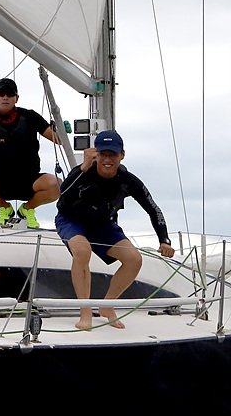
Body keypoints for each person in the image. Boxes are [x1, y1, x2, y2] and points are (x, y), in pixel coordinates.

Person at [55, 130, 175, 330]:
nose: (108, 159)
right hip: (71, 220)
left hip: (103, 224)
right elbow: (63, 195)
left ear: (122, 155)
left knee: (134, 259)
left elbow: (153, 208)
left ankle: (108, 305)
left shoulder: (128, 180)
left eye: (113, 154)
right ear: (95, 154)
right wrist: (82, 168)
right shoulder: (84, 171)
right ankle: (85, 312)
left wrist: (164, 240)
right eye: (103, 154)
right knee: (82, 251)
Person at [0, 77, 62, 228]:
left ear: (16, 98)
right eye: (1, 94)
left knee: (58, 185)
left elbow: (58, 140)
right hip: (2, 181)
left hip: (31, 181)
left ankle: (27, 209)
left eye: (10, 94)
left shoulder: (30, 117)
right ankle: (4, 208)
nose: (5, 97)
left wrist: (61, 129)